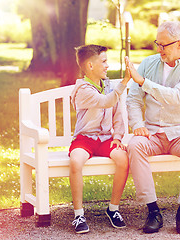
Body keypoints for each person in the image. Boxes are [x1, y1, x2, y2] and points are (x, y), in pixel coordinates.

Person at [125, 21, 180, 234]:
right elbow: (133, 98)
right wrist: (137, 125)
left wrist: (144, 82)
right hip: (152, 132)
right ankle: (153, 211)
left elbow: (175, 97)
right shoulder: (148, 63)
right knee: (134, 146)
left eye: (164, 45)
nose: (159, 50)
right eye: (157, 44)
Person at [69, 44, 130, 234]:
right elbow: (106, 101)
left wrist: (118, 137)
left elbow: (118, 113)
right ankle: (79, 214)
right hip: (84, 139)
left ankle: (113, 209)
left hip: (105, 138)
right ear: (90, 66)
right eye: (103, 61)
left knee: (123, 159)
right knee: (75, 161)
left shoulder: (109, 86)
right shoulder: (83, 90)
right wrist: (125, 82)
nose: (107, 65)